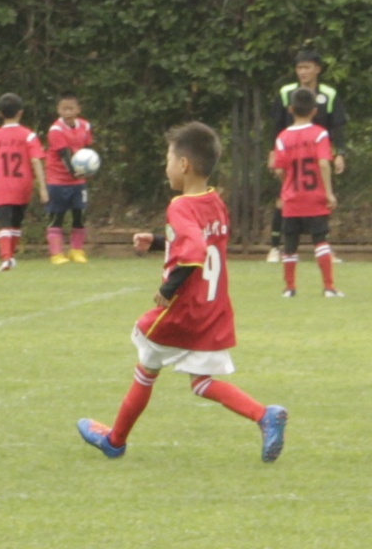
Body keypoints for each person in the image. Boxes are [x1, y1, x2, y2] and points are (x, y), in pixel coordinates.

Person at [76, 121, 285, 462]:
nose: (166, 167)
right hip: (212, 308)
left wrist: (168, 289)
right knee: (201, 382)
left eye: (169, 160)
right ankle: (265, 415)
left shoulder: (180, 206)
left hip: (184, 310)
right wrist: (160, 242)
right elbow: (205, 242)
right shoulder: (215, 202)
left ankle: (114, 440)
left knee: (146, 367)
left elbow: (196, 252)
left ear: (184, 165)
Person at [270, 95, 342, 298]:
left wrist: (287, 188)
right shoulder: (319, 135)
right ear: (314, 110)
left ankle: (289, 288)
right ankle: (328, 287)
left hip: (291, 199)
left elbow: (279, 170)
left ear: (291, 110)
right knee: (320, 240)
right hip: (315, 198)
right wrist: (328, 193)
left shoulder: (282, 138)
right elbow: (322, 163)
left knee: (290, 244)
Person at [0, 94, 44, 274]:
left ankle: (6, 258)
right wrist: (42, 186)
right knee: (15, 223)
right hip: (23, 184)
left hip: (2, 184)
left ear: (0, 114)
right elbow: (36, 161)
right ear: (21, 113)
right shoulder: (29, 135)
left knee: (4, 223)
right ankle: (10, 257)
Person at [40, 95, 96, 264]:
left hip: (78, 181)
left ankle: (76, 251)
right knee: (57, 216)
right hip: (58, 179)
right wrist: (75, 173)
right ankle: (56, 253)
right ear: (59, 110)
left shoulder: (85, 126)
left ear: (78, 110)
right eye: (64, 109)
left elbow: (87, 150)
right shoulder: (55, 130)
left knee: (80, 215)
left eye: (71, 108)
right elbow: (64, 155)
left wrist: (90, 168)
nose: (68, 112)